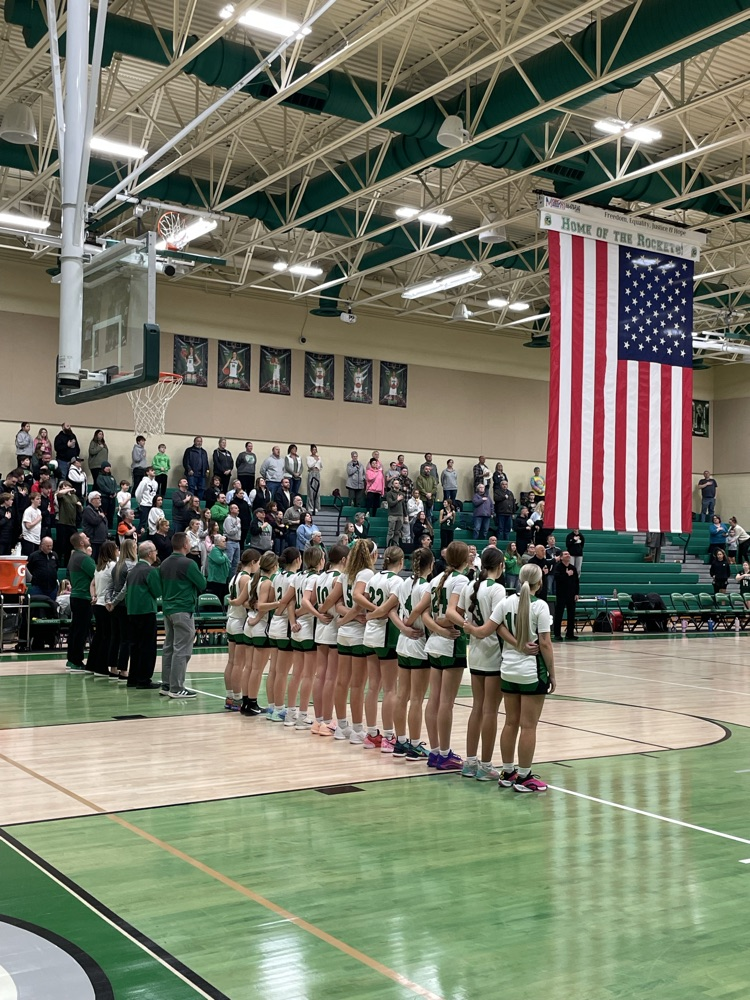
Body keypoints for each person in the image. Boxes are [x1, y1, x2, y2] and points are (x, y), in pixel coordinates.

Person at [491, 563, 555, 792]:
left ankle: (508, 772)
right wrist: (552, 674)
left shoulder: (506, 602)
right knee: (528, 726)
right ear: (540, 582)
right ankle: (525, 777)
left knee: (510, 722)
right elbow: (545, 643)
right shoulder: (541, 606)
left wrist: (515, 643)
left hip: (507, 670)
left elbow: (496, 626)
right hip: (530, 672)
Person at [319, 538, 376, 743]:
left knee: (342, 682)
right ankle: (358, 730)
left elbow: (330, 603)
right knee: (358, 685)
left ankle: (342, 726)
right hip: (359, 633)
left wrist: (343, 618)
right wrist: (352, 616)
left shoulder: (345, 575)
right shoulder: (367, 574)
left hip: (344, 635)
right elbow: (359, 603)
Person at [422, 540, 470, 771]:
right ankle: (444, 753)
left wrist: (436, 628)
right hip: (451, 643)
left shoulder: (435, 580)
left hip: (434, 643)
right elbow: (452, 613)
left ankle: (434, 751)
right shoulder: (461, 580)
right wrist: (464, 625)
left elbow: (424, 613)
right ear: (465, 559)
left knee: (434, 699)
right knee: (446, 703)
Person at [458, 546, 506, 780]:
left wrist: (469, 628)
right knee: (490, 711)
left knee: (477, 708)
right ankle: (485, 765)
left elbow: (460, 615)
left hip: (475, 653)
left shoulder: (469, 586)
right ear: (499, 566)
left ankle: (470, 762)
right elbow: (498, 625)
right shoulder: (497, 589)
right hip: (493, 653)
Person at [360, 545, 406, 751]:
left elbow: (367, 603)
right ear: (401, 562)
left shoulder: (374, 579)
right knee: (390, 689)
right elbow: (387, 608)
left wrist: (370, 615)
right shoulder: (397, 581)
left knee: (373, 686)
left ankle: (371, 733)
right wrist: (374, 614)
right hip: (387, 636)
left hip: (370, 634)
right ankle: (388, 736)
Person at [391, 546, 434, 761]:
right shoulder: (427, 587)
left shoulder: (404, 582)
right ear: (431, 565)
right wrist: (408, 625)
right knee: (416, 698)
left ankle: (400, 742)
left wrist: (402, 628)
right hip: (418, 642)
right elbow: (421, 613)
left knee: (402, 695)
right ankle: (415, 745)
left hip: (403, 642)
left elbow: (390, 609)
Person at [159, 531, 207, 698]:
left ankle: (166, 684)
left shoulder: (164, 563)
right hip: (183, 608)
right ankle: (177, 687)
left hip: (168, 609)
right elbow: (202, 583)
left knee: (169, 647)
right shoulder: (188, 563)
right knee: (182, 649)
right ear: (185, 545)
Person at [119, 541, 161, 689]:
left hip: (132, 612)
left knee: (135, 646)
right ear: (149, 554)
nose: (156, 553)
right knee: (148, 647)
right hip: (146, 611)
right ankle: (144, 679)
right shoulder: (150, 571)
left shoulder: (133, 570)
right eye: (155, 551)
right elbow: (157, 591)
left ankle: (133, 678)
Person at [66, 532, 95, 673]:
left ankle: (71, 659)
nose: (88, 538)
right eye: (86, 537)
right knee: (81, 631)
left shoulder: (74, 557)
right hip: (83, 597)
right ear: (82, 543)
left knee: (75, 629)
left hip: (76, 597)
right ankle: (77, 661)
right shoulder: (84, 558)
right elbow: (97, 574)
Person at [88, 540, 119, 676]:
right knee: (108, 637)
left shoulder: (99, 567)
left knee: (99, 636)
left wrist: (93, 595)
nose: (118, 550)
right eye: (116, 548)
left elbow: (92, 584)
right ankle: (101, 667)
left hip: (98, 604)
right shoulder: (113, 566)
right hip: (106, 605)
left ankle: (92, 664)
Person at [552, 551, 579, 640]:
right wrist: (566, 574)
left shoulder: (573, 568)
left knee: (571, 615)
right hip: (561, 594)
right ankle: (557, 634)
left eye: (569, 554)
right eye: (565, 554)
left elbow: (576, 582)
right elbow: (557, 578)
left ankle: (570, 633)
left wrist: (576, 593)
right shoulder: (558, 567)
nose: (568, 555)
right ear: (561, 557)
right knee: (559, 614)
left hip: (571, 594)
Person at [54, 481, 81, 564]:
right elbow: (59, 494)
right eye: (65, 486)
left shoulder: (74, 496)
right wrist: (70, 489)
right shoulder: (62, 496)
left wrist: (79, 506)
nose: (67, 488)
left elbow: (79, 507)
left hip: (72, 523)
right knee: (61, 545)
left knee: (70, 546)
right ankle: (57, 564)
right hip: (62, 522)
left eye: (68, 486)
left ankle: (67, 563)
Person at [27, 537, 59, 601]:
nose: (50, 548)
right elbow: (29, 568)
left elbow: (56, 567)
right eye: (48, 546)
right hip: (38, 587)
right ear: (42, 545)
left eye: (51, 546)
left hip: (52, 587)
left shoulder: (54, 555)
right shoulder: (34, 556)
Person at [81, 491, 109, 559]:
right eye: (98, 498)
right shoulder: (88, 510)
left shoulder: (100, 510)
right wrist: (101, 516)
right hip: (93, 540)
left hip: (101, 540)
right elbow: (94, 521)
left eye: (100, 498)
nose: (100, 499)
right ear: (92, 500)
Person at [207, 534, 231, 602]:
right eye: (223, 541)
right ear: (218, 543)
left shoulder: (222, 551)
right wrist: (225, 556)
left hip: (222, 579)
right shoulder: (215, 550)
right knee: (217, 598)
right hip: (216, 580)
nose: (225, 543)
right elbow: (220, 560)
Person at [135, 467, 159, 534]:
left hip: (152, 505)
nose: (154, 471)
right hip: (145, 504)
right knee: (143, 522)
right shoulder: (144, 482)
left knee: (152, 522)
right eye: (152, 470)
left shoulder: (156, 483)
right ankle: (138, 537)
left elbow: (154, 494)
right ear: (147, 472)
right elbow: (138, 493)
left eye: (154, 470)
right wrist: (140, 502)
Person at [416, 456, 439, 521]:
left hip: (430, 499)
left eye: (429, 469)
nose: (428, 470)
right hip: (423, 499)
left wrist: (430, 494)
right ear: (423, 470)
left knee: (429, 515)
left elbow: (435, 487)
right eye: (426, 469)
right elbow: (419, 487)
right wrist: (426, 494)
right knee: (422, 514)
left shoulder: (432, 478)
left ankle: (429, 528)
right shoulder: (420, 478)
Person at [386, 477, 407, 547]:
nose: (397, 484)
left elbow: (404, 505)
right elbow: (390, 504)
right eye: (395, 483)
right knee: (390, 532)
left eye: (398, 483)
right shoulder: (389, 493)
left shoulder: (402, 494)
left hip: (400, 515)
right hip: (392, 515)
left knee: (397, 532)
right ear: (392, 485)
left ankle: (395, 547)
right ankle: (388, 546)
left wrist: (405, 515)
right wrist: (397, 500)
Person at [306, 444, 323, 513]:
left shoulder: (319, 457)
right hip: (311, 473)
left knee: (317, 490)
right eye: (313, 449)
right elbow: (309, 465)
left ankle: (316, 506)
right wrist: (315, 461)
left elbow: (321, 466)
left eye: (315, 449)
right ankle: (310, 506)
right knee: (311, 490)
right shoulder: (308, 457)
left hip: (317, 473)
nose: (314, 451)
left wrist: (318, 469)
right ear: (311, 450)